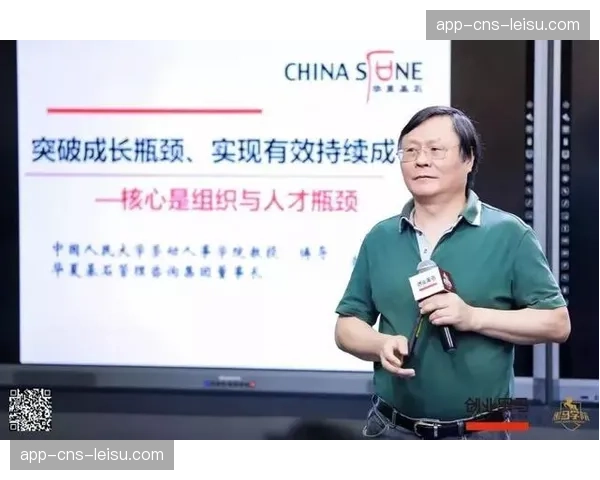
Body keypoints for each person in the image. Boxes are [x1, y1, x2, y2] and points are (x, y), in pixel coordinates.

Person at [334, 106, 571, 440]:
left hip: (482, 430)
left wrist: (472, 317)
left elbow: (557, 323)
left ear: (468, 159)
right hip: (389, 427)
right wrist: (379, 344)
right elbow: (346, 326)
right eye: (410, 150)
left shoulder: (509, 234)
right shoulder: (381, 237)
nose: (420, 160)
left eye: (435, 150)